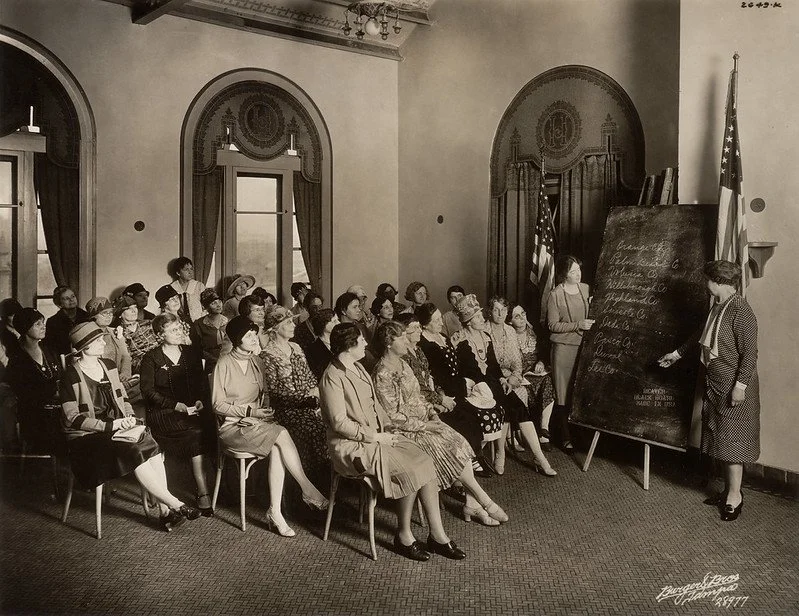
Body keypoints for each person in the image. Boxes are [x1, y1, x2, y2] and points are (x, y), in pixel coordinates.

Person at [319, 322, 466, 561]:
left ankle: (438, 536)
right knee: (410, 467)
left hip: (377, 437)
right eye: (361, 341)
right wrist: (376, 436)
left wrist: (388, 428)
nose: (366, 343)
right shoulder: (332, 377)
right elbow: (339, 424)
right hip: (351, 447)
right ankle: (404, 535)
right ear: (349, 346)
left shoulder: (358, 368)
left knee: (424, 460)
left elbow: (377, 407)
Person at [59, 322, 200, 531]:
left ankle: (164, 511)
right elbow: (73, 418)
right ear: (84, 347)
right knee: (133, 448)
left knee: (150, 442)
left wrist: (130, 418)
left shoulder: (108, 365)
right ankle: (174, 503)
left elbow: (123, 399)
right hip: (87, 437)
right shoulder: (70, 375)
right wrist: (110, 425)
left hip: (117, 428)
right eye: (97, 340)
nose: (103, 342)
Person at [373, 321, 508, 527]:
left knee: (458, 441)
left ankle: (474, 502)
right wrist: (425, 426)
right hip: (403, 431)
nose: (405, 340)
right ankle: (483, 500)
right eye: (400, 337)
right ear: (388, 343)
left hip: (423, 420)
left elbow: (418, 396)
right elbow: (392, 416)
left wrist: (431, 413)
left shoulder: (404, 364)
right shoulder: (382, 373)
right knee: (445, 446)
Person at [658, 260, 759, 522]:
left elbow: (750, 354)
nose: (706, 284)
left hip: (733, 388)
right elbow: (701, 335)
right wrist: (677, 354)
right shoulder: (718, 307)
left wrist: (740, 387)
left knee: (733, 442)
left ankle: (735, 497)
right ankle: (728, 490)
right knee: (721, 440)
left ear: (719, 282)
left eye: (708, 280)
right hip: (715, 384)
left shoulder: (741, 312)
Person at [212, 316, 329, 537]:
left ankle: (275, 512)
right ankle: (308, 489)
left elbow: (264, 397)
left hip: (256, 424)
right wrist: (248, 412)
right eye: (249, 336)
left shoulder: (257, 362)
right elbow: (217, 404)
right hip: (232, 428)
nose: (255, 338)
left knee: (277, 447)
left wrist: (260, 414)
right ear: (237, 340)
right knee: (282, 432)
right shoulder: (224, 364)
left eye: (255, 334)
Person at [140, 313, 216, 516]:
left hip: (191, 409)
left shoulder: (191, 353)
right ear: (159, 334)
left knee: (210, 427)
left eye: (180, 328)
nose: (179, 332)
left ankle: (212, 489)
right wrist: (176, 406)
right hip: (163, 412)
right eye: (173, 330)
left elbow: (200, 383)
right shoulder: (151, 358)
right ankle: (203, 492)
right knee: (195, 432)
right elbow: (148, 391)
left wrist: (199, 399)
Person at [416, 303, 504, 472]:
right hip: (446, 390)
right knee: (471, 416)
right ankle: (472, 457)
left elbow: (456, 365)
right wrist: (460, 387)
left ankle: (475, 454)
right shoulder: (424, 344)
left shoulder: (442, 336)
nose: (441, 323)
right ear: (425, 324)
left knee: (490, 407)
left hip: (459, 385)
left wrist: (466, 382)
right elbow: (438, 375)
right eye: (435, 320)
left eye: (440, 318)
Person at [451, 294, 530, 475]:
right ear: (469, 322)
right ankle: (492, 454)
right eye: (478, 316)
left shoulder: (485, 336)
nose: (482, 319)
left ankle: (539, 456)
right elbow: (472, 372)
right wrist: (495, 384)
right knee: (509, 404)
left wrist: (502, 379)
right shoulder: (461, 340)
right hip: (477, 388)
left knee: (517, 404)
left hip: (492, 383)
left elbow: (493, 365)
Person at [486, 297, 556, 476]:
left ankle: (538, 457)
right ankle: (502, 452)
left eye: (503, 310)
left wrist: (514, 377)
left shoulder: (509, 331)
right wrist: (503, 378)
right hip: (491, 380)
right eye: (496, 310)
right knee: (511, 403)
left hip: (511, 379)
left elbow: (517, 362)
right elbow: (486, 365)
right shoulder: (484, 330)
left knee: (515, 399)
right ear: (490, 311)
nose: (500, 314)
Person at [260, 306, 330, 484]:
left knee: (331, 425)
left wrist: (315, 395)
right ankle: (306, 489)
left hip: (309, 405)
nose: (293, 325)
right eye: (288, 322)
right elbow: (274, 392)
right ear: (275, 328)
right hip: (286, 410)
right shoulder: (268, 354)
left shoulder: (297, 347)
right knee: (313, 431)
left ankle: (328, 487)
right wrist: (305, 398)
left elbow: (310, 377)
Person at [546, 255, 593, 452]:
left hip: (584, 348)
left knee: (578, 392)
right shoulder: (555, 294)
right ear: (564, 274)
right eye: (573, 271)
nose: (578, 274)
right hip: (563, 349)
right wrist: (578, 325)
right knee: (562, 393)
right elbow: (552, 325)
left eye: (579, 270)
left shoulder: (585, 288)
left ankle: (579, 435)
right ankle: (564, 436)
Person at [6, 308, 64, 455]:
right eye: (38, 324)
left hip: (59, 407)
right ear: (25, 327)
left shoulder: (49, 350)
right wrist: (53, 392)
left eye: (43, 322)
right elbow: (24, 393)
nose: (43, 326)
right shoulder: (17, 359)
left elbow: (61, 377)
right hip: (35, 414)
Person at [508, 304, 556, 450]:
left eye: (523, 313)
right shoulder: (508, 336)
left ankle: (543, 430)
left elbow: (544, 351)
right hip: (518, 375)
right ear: (510, 321)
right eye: (517, 316)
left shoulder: (534, 332)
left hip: (535, 373)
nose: (522, 318)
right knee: (522, 389)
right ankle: (521, 433)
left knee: (547, 381)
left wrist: (541, 361)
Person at [85, 297, 137, 396]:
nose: (109, 316)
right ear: (94, 316)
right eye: (105, 313)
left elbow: (125, 356)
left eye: (110, 313)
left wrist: (125, 373)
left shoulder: (114, 332)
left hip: (119, 379)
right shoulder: (86, 335)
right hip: (99, 382)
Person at [113, 295, 158, 374]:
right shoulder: (119, 333)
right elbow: (126, 358)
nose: (134, 311)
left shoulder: (148, 323)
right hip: (142, 369)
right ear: (120, 314)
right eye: (129, 309)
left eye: (135, 307)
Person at [192, 288, 230, 374]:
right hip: (210, 363)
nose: (218, 305)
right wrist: (214, 359)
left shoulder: (228, 322)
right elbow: (197, 348)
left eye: (219, 301)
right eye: (213, 303)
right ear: (206, 307)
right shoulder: (199, 324)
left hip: (228, 360)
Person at [335, 292, 376, 370]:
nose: (359, 310)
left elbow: (371, 350)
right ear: (343, 311)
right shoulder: (337, 330)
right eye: (354, 307)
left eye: (359, 306)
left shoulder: (361, 328)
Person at [45, 286, 89, 355]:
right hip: (63, 359)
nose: (71, 300)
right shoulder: (53, 322)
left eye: (73, 296)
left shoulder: (87, 317)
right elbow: (50, 348)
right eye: (66, 298)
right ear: (59, 304)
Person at [168, 257, 205, 322]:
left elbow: (206, 307)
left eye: (191, 269)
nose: (190, 272)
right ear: (178, 273)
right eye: (186, 269)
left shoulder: (199, 286)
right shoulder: (172, 288)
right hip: (179, 324)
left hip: (198, 323)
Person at [305, 308, 338, 381]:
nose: (338, 323)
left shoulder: (339, 343)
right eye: (334, 321)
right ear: (323, 324)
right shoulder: (312, 349)